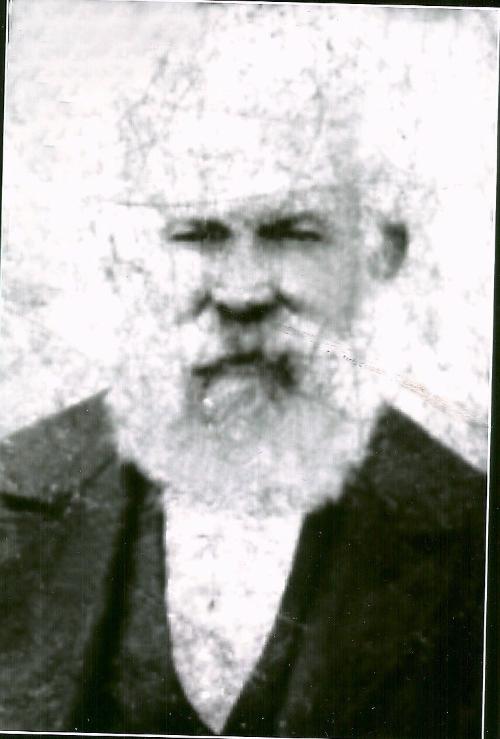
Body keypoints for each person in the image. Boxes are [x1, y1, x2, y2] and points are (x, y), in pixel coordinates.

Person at [0, 5, 487, 737]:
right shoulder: (12, 494)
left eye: (293, 232)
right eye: (197, 233)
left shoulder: (472, 530)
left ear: (378, 253)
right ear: (125, 259)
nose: (240, 291)